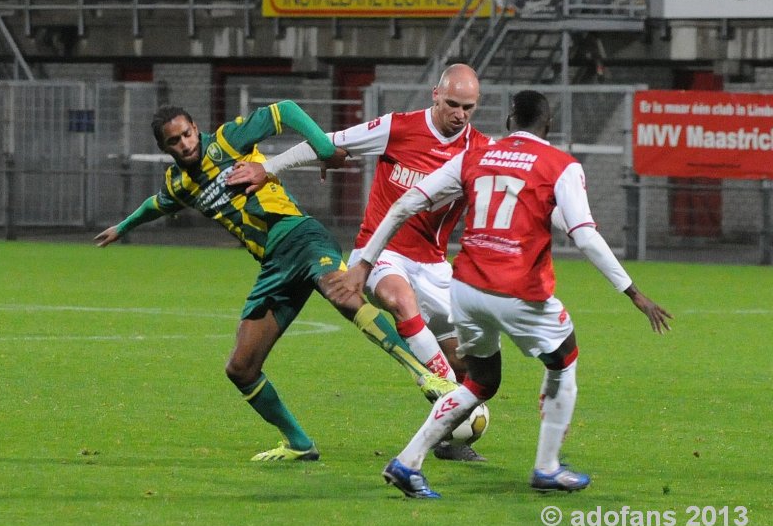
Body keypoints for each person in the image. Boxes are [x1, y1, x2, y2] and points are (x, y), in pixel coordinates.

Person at [328, 90, 673, 497]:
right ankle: (546, 467)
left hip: (467, 289)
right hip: (519, 290)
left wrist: (364, 262)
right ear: (547, 125)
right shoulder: (561, 165)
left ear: (509, 121)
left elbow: (405, 203)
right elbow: (584, 235)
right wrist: (632, 291)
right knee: (564, 360)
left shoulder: (475, 155)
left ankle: (407, 462)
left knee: (480, 383)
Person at [94, 101, 454, 462]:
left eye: (187, 134)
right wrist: (122, 228)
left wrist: (324, 148)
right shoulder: (179, 184)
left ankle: (427, 376)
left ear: (195, 126)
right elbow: (156, 205)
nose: (185, 144)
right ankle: (299, 443)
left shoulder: (227, 140)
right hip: (274, 267)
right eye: (174, 142)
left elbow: (285, 111)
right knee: (241, 368)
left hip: (299, 234)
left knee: (341, 292)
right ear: (164, 148)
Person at [228, 64, 493, 462]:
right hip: (379, 253)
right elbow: (329, 142)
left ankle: (446, 435)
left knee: (464, 359)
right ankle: (441, 387)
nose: (460, 114)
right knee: (402, 302)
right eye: (453, 103)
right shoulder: (398, 128)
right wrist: (268, 168)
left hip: (434, 265)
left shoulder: (481, 151)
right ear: (435, 95)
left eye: (468, 107)